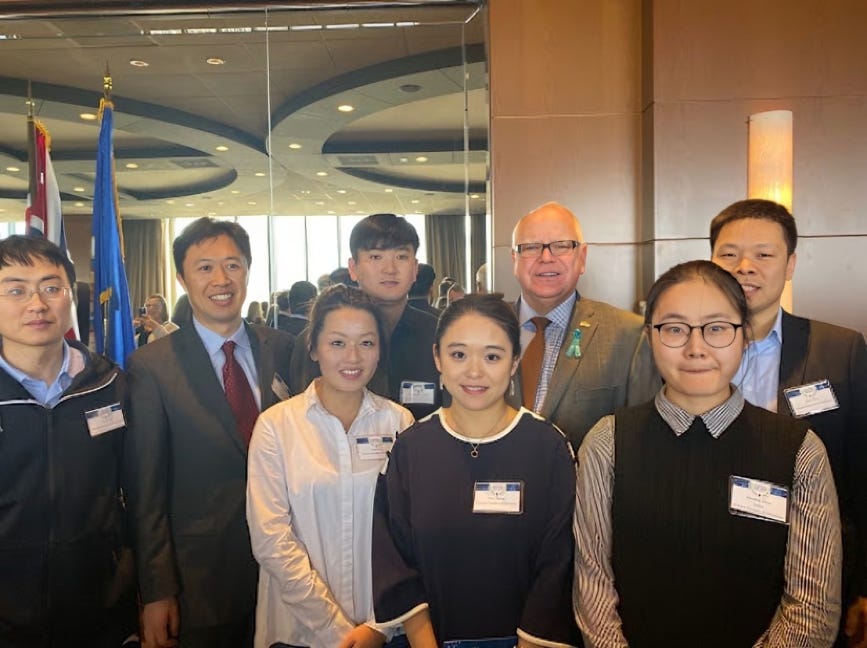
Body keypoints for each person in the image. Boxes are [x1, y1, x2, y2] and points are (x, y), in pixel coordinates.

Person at [574, 260, 841, 647]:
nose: (695, 348)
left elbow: (812, 605)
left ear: (744, 336)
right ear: (649, 336)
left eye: (716, 328)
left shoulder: (799, 450)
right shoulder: (607, 442)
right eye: (674, 329)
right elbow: (593, 583)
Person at [124, 217, 295, 648]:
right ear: (182, 278)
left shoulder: (284, 348)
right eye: (204, 268)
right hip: (200, 580)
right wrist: (157, 590)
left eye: (233, 265)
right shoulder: (152, 367)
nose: (221, 279)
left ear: (248, 270)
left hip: (289, 571)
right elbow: (146, 490)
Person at [372, 294, 578, 647]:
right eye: (458, 354)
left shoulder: (549, 448)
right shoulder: (409, 450)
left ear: (514, 362)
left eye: (493, 356)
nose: (474, 371)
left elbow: (558, 564)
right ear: (437, 357)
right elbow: (395, 559)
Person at [709, 198, 867, 645]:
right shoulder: (680, 348)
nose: (745, 267)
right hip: (706, 557)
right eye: (729, 254)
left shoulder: (841, 349)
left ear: (790, 263)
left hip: (813, 564)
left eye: (764, 254)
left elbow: (861, 474)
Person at [247, 285, 413, 648]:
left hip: (384, 629)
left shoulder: (399, 423)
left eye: (366, 343)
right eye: (338, 343)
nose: (353, 356)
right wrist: (336, 630)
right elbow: (271, 539)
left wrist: (377, 627)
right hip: (298, 633)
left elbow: (408, 537)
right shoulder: (277, 426)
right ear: (313, 347)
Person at [0, 235, 136, 646]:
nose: (37, 304)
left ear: (70, 297)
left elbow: (140, 490)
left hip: (99, 610)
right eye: (16, 290)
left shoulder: (109, 384)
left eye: (51, 287)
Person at [508, 201, 659, 449]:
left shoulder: (629, 336)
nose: (546, 257)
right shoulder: (486, 330)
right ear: (514, 259)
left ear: (582, 257)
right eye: (531, 247)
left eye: (561, 246)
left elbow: (644, 442)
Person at [289, 214, 440, 419]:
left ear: (414, 269)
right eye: (376, 257)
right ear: (353, 268)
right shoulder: (318, 340)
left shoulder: (439, 335)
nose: (390, 269)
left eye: (401, 257)